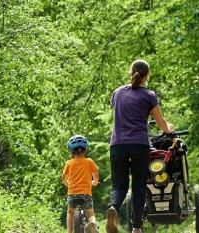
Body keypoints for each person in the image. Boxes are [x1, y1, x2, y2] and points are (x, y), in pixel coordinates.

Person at [106, 59, 173, 233]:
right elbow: (160, 123)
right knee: (138, 187)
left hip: (118, 145)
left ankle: (113, 207)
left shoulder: (118, 92)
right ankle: (136, 227)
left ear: (131, 72)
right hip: (139, 145)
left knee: (119, 185)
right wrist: (169, 129)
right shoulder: (149, 95)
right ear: (147, 75)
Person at [62, 135, 100, 233]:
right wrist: (94, 182)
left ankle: (69, 231)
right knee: (91, 214)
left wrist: (66, 183)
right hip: (86, 193)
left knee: (70, 212)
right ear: (85, 151)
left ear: (71, 151)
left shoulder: (69, 163)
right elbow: (95, 175)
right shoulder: (89, 161)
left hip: (72, 193)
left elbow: (64, 177)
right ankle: (92, 223)